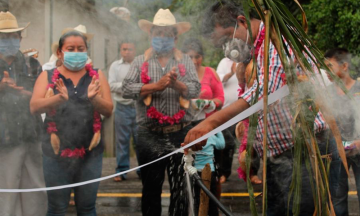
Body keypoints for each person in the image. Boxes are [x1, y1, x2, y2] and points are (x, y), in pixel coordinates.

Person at [182, 1, 340, 215]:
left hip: (303, 150)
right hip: (280, 154)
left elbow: (265, 92)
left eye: (228, 38)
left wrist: (209, 123)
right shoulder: (255, 48)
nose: (229, 47)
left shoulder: (277, 39)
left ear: (242, 22)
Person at [122, 9, 201, 216]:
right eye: (158, 33)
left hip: (181, 132)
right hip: (149, 134)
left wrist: (178, 86)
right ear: (151, 35)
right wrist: (155, 86)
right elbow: (127, 89)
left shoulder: (185, 61)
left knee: (181, 188)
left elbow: (195, 89)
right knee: (150, 187)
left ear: (175, 36)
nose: (162, 38)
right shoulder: (140, 62)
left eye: (167, 34)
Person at [30, 30, 113, 215]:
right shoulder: (47, 75)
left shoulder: (97, 75)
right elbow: (34, 107)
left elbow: (108, 109)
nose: (76, 52)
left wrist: (94, 99)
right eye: (70, 48)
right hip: (55, 153)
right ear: (60, 52)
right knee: (57, 208)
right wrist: (58, 99)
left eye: (80, 48)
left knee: (87, 207)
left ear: (87, 51)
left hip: (90, 153)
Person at [0, 11, 47, 216]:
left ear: (20, 38)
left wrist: (26, 93)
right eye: (3, 37)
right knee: (7, 192)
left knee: (35, 189)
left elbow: (42, 95)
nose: (8, 40)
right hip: (4, 138)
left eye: (12, 36)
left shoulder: (33, 64)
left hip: (32, 135)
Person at [324, 48, 360, 216]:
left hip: (359, 149)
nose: (327, 72)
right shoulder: (327, 93)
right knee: (337, 198)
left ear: (344, 66)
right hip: (337, 152)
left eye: (330, 66)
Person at [108, 39, 140, 181]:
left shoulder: (140, 65)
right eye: (124, 49)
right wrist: (130, 86)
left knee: (141, 141)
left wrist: (128, 86)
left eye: (130, 49)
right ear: (120, 51)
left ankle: (142, 170)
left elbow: (145, 83)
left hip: (139, 107)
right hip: (122, 108)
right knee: (122, 141)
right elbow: (111, 85)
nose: (127, 52)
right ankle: (121, 171)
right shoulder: (115, 66)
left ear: (135, 50)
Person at [193, 132, 225, 216]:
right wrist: (218, 131)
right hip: (211, 171)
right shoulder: (210, 136)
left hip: (196, 172)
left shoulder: (193, 135)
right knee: (212, 197)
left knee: (197, 197)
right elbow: (221, 145)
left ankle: (198, 213)